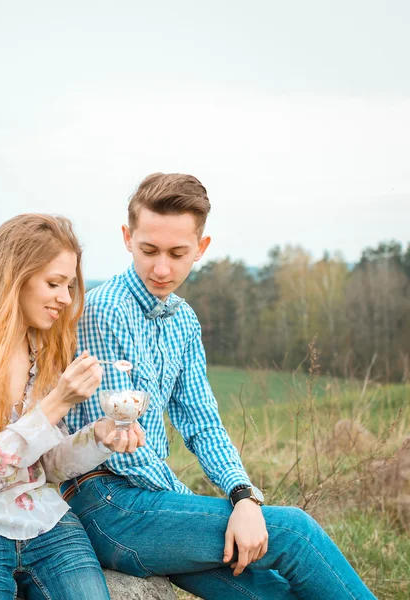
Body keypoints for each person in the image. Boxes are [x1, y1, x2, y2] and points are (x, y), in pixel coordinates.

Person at [64, 173, 376, 600]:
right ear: (126, 237)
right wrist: (193, 505)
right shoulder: (105, 311)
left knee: (271, 591)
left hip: (151, 508)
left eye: (177, 253)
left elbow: (202, 422)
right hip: (108, 504)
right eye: (148, 250)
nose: (161, 268)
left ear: (201, 249)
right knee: (295, 533)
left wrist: (242, 497)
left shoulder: (184, 320)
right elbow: (124, 444)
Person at [0, 214, 145, 600]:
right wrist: (57, 402)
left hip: (46, 523)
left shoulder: (45, 348)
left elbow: (47, 465)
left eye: (70, 286)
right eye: (54, 283)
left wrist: (99, 437)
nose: (66, 299)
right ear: (13, 278)